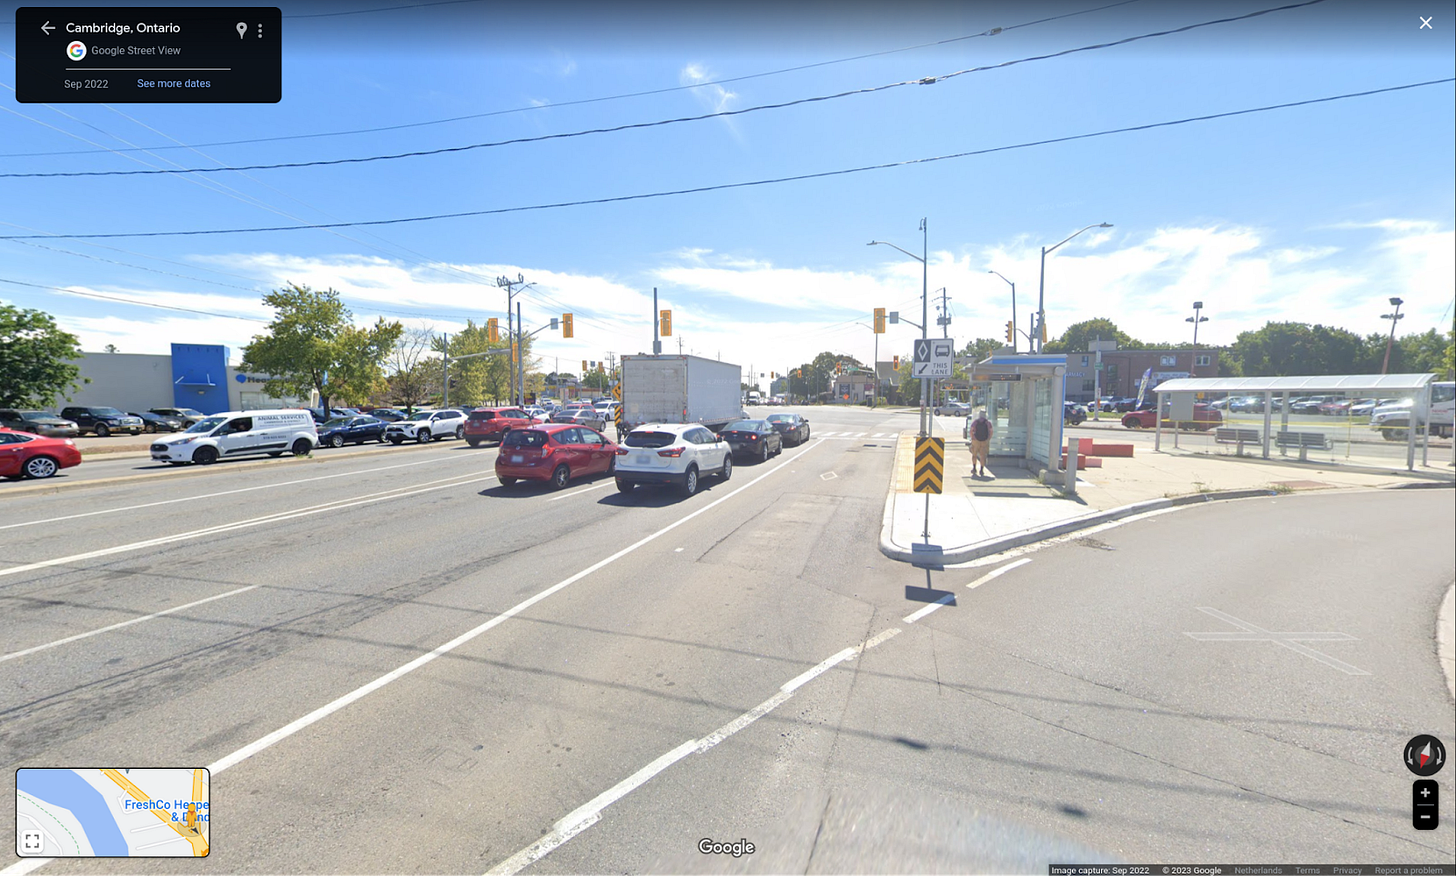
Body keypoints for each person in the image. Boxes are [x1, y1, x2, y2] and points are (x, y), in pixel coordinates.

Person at [969, 409, 993, 477]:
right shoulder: (988, 423)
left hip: (976, 440)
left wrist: (973, 437)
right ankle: (981, 470)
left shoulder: (975, 422)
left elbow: (971, 430)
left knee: (974, 455)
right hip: (984, 441)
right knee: (983, 456)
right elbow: (991, 431)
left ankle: (974, 468)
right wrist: (988, 439)